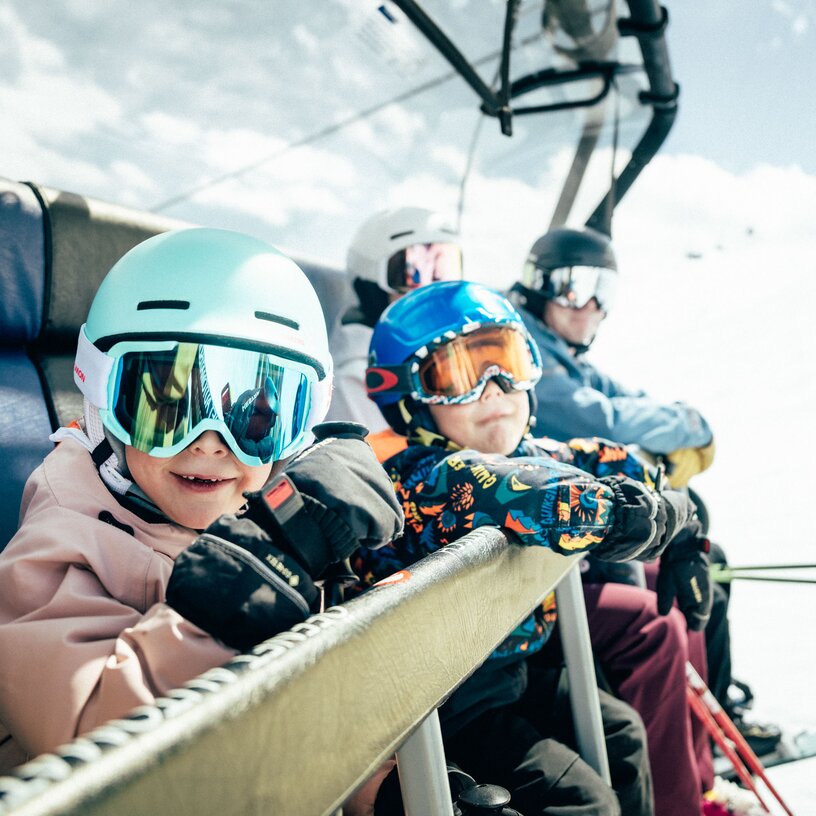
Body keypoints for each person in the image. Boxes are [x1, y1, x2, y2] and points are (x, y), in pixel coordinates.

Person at [0, 228, 403, 773]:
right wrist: (245, 579)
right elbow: (89, 733)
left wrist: (382, 790)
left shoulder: (283, 523)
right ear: (99, 394)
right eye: (167, 408)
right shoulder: (62, 545)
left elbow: (306, 713)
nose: (210, 442)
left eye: (256, 417)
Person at [353, 280, 713, 816]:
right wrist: (624, 516)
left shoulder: (534, 450)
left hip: (510, 675)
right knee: (579, 803)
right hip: (436, 707)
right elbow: (514, 490)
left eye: (506, 363)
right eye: (459, 375)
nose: (493, 389)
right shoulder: (418, 480)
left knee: (622, 738)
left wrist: (681, 523)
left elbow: (611, 462)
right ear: (410, 403)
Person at [509, 225, 781, 755]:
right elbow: (597, 416)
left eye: (602, 292)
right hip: (557, 557)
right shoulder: (520, 346)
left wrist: (683, 418)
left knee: (703, 570)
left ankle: (708, 726)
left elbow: (621, 396)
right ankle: (691, 745)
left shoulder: (562, 347)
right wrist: (688, 428)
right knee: (659, 611)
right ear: (539, 283)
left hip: (586, 550)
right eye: (575, 287)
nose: (590, 306)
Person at [326, 206, 463, 436]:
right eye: (413, 272)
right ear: (373, 289)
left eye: (443, 269)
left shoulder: (436, 354)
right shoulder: (355, 379)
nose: (431, 291)